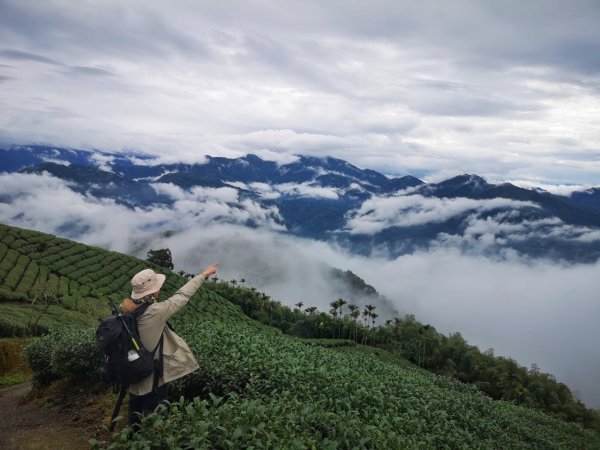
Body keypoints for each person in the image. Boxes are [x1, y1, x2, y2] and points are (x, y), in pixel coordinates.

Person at [120, 262, 218, 427]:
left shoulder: (126, 311)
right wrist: (204, 275)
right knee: (156, 422)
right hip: (152, 378)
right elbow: (182, 295)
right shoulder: (155, 312)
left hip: (132, 375)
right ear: (153, 291)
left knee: (134, 419)